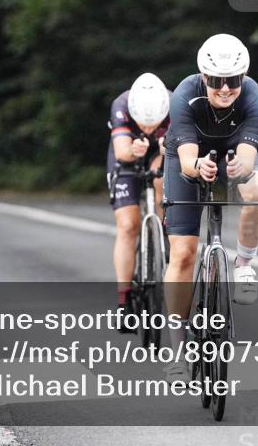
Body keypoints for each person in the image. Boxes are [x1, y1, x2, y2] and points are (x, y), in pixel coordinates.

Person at [162, 33, 258, 382]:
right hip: (188, 155)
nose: (225, 89)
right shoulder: (183, 95)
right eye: (216, 81)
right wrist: (198, 169)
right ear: (203, 77)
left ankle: (243, 264)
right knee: (181, 254)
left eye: (233, 81)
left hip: (233, 149)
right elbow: (186, 160)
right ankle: (176, 345)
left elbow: (246, 155)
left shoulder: (255, 98)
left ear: (244, 77)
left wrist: (239, 168)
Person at [106, 72, 171, 331]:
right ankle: (124, 302)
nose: (148, 129)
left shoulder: (175, 104)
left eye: (153, 124)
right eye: (142, 124)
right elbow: (121, 151)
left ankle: (164, 228)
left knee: (161, 178)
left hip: (160, 154)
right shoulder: (121, 105)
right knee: (128, 226)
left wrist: (169, 147)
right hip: (126, 156)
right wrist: (134, 150)